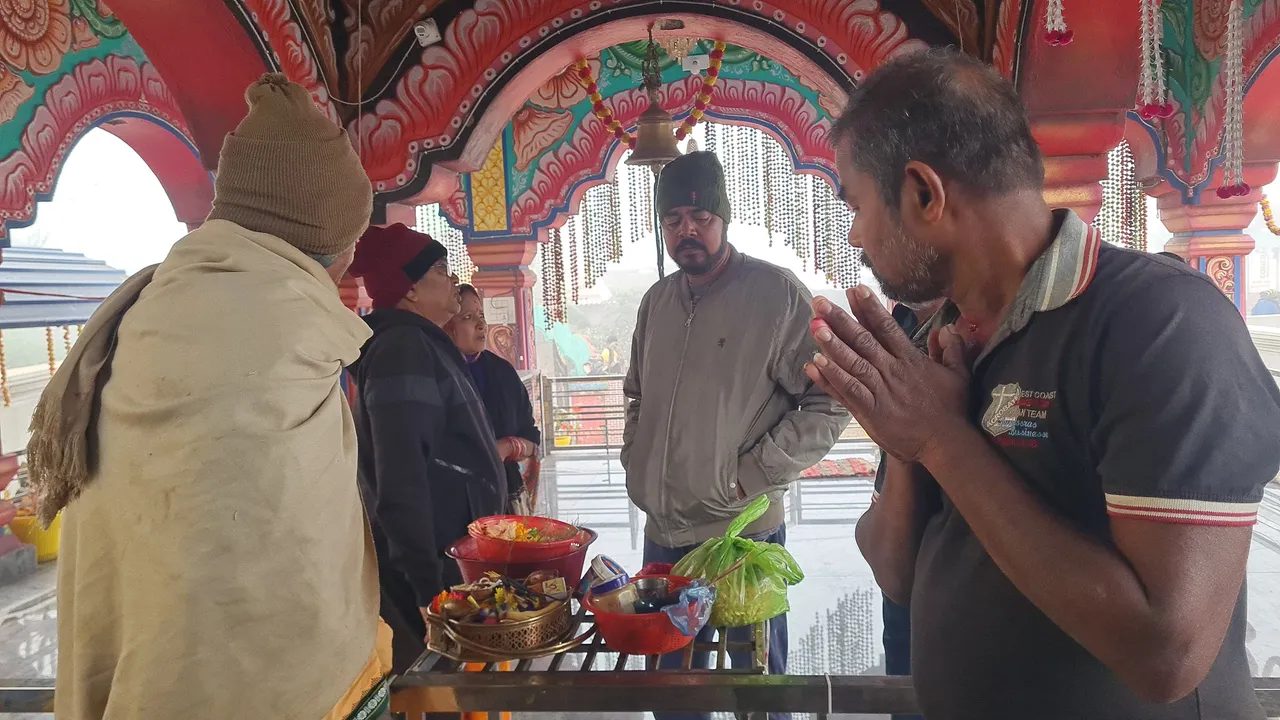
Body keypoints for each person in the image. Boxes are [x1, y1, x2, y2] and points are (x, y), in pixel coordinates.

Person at [810, 48, 1280, 720]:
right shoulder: (930, 339)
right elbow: (897, 574)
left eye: (854, 205)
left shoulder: (1161, 325)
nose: (855, 235)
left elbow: (1166, 653)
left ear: (923, 193)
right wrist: (909, 443)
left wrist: (943, 439)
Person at [28, 73, 391, 720]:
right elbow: (288, 591)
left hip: (140, 672)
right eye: (350, 240)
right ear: (319, 236)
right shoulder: (284, 322)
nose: (350, 260)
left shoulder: (152, 302)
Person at [622, 150, 850, 719]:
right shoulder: (657, 302)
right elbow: (637, 394)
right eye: (672, 220)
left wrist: (751, 474)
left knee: (760, 688)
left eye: (700, 217)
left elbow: (830, 398)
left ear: (724, 217)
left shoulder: (774, 295)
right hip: (664, 537)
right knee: (672, 694)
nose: (687, 231)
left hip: (740, 538)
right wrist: (636, 460)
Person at [347, 223, 506, 674]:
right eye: (440, 269)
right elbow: (402, 473)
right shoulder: (403, 348)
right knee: (443, 690)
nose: (453, 279)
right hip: (435, 567)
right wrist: (426, 587)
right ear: (410, 288)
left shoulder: (422, 343)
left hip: (452, 556)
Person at [866, 297, 949, 720]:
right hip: (896, 520)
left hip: (956, 541)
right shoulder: (897, 320)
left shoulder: (971, 326)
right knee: (903, 665)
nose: (858, 238)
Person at [444, 283, 540, 509]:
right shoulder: (437, 372)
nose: (481, 324)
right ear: (446, 326)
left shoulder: (502, 372)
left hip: (505, 495)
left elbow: (531, 438)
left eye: (482, 315)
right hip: (454, 501)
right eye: (467, 317)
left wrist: (506, 447)